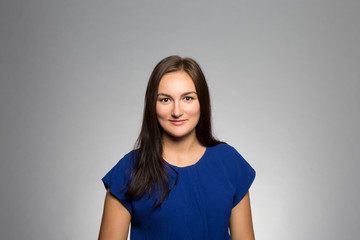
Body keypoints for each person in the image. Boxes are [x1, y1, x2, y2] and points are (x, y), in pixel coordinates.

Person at [98, 56, 256, 240]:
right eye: (165, 100)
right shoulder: (129, 169)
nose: (177, 111)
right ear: (152, 105)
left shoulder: (230, 163)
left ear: (202, 103)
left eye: (187, 98)